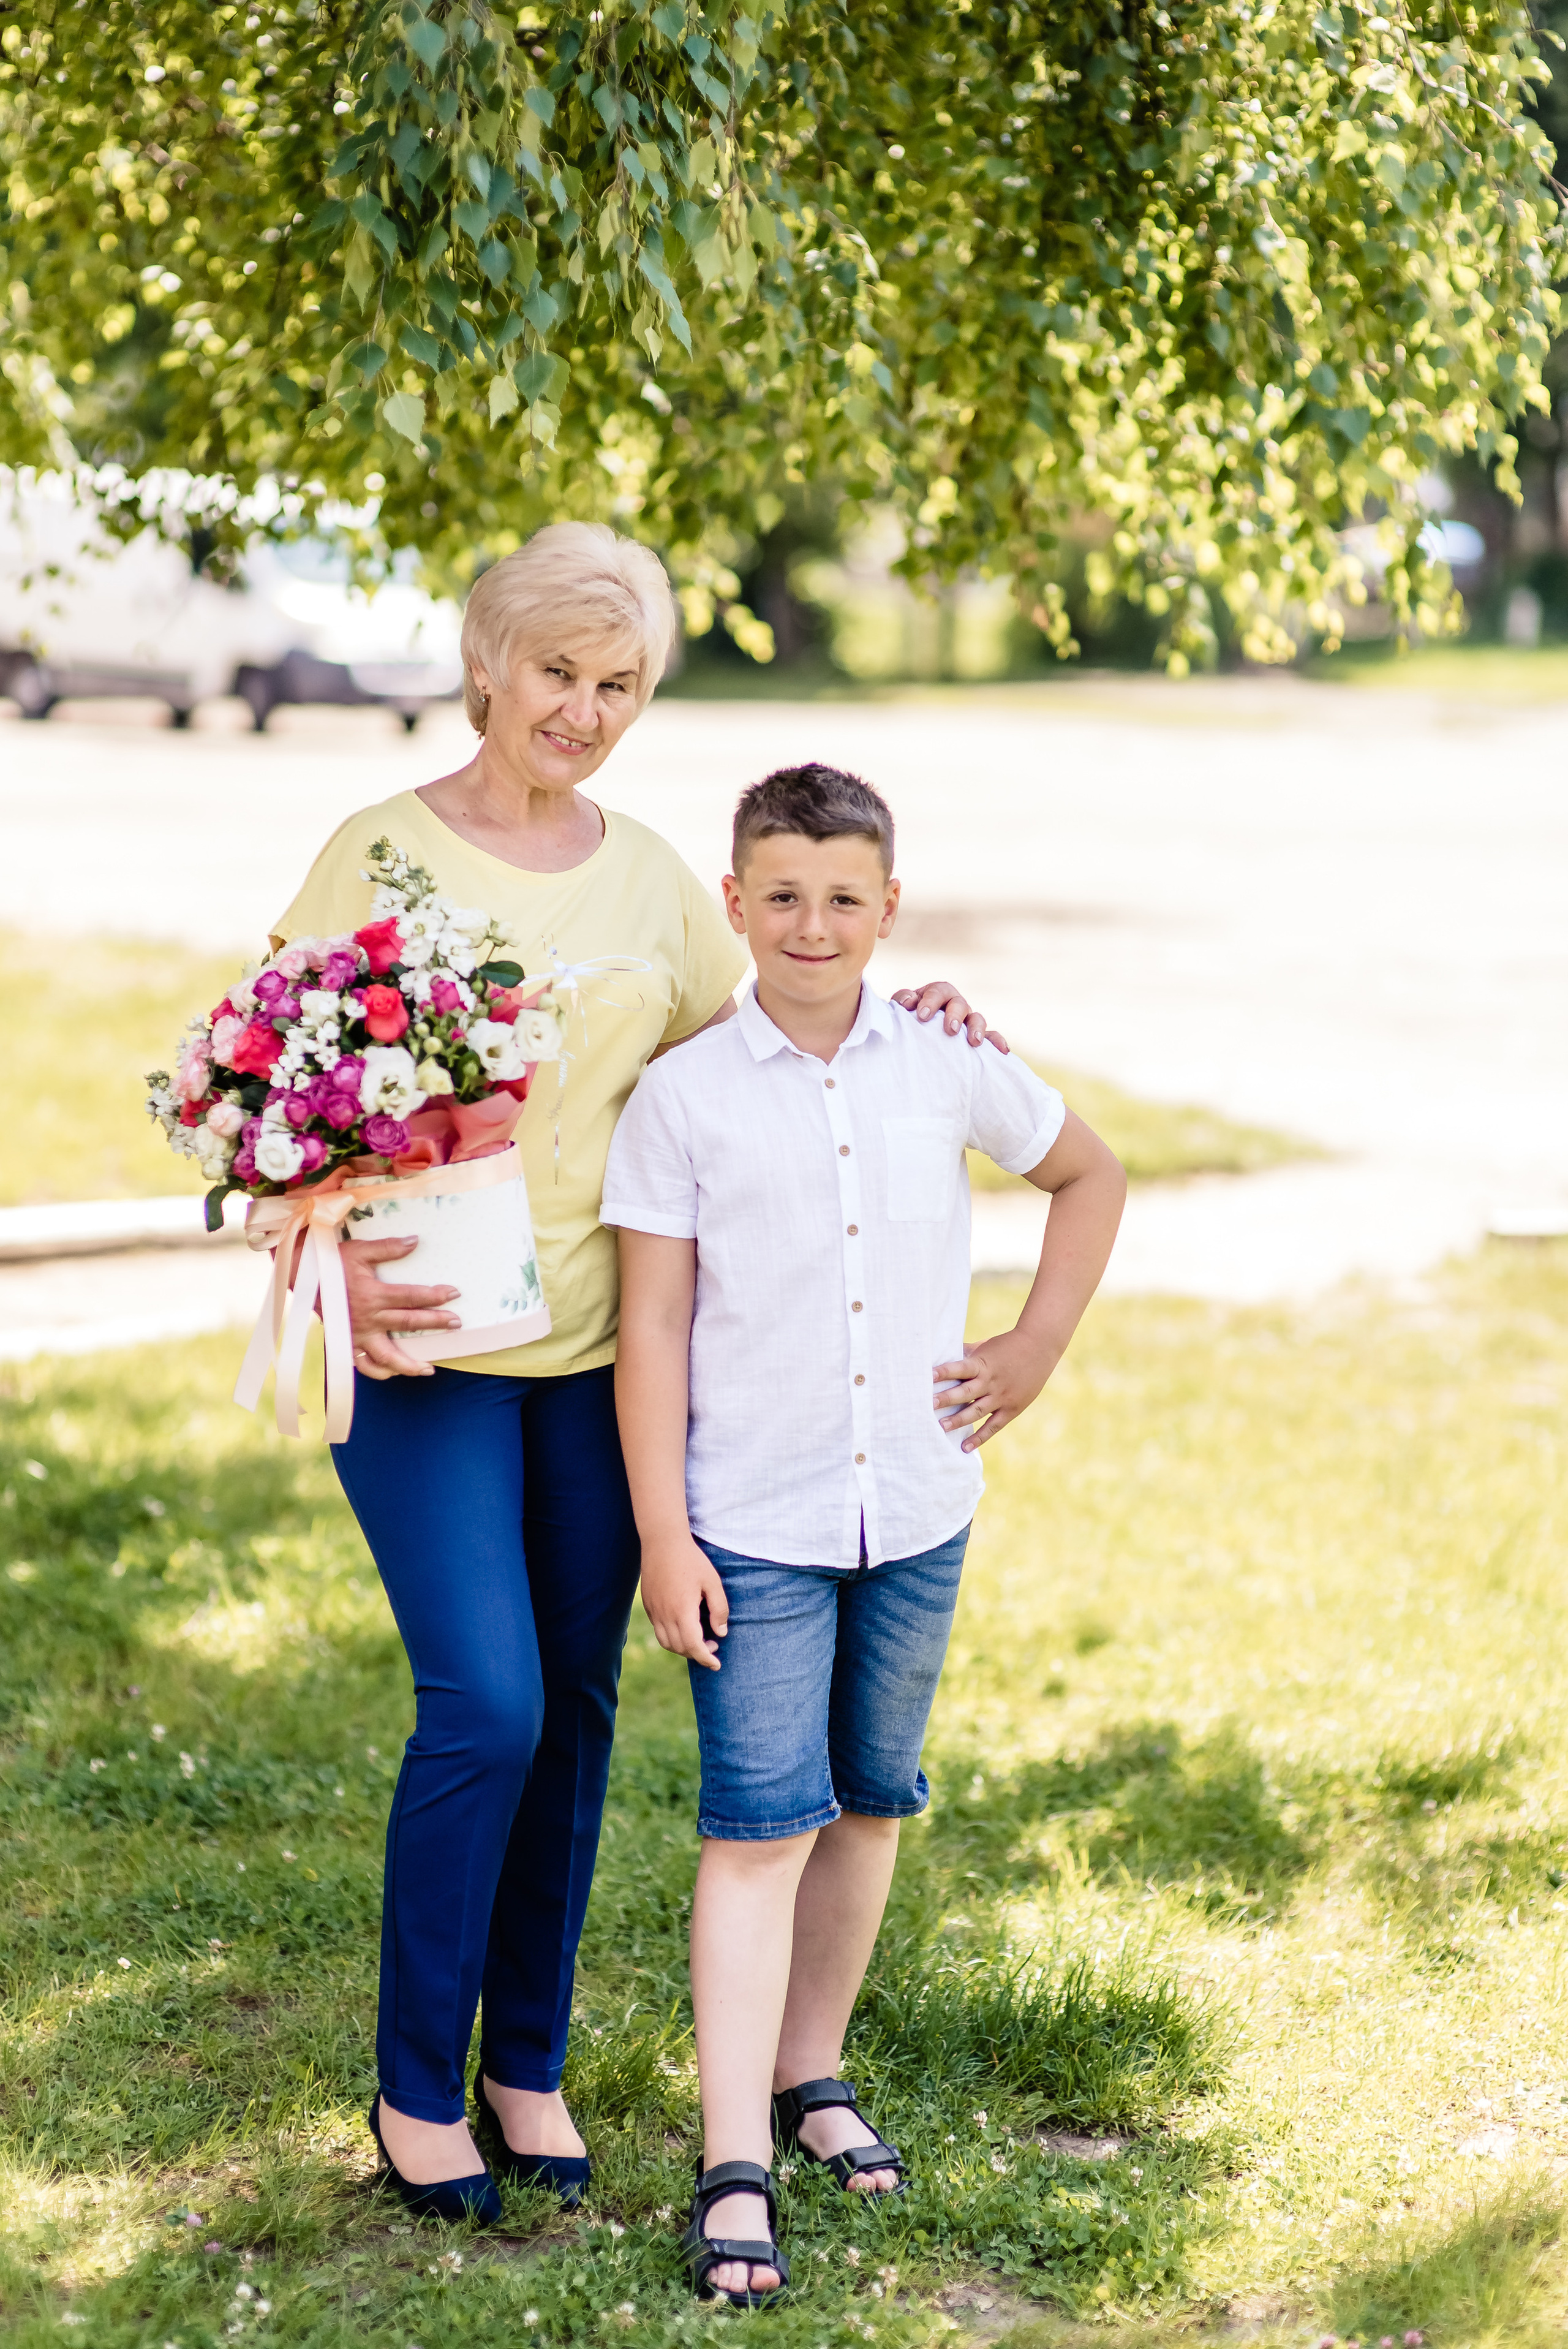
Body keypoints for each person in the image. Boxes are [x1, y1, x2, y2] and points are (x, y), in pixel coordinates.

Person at [265, 528, 998, 2221]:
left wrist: (924, 1017)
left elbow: (770, 1050)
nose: (583, 712)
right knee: (490, 1703)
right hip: (429, 1353)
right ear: (485, 665)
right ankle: (413, 2082)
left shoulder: (662, 881)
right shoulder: (375, 852)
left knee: (579, 1714)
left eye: (619, 685)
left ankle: (524, 2063)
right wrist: (314, 1247)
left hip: (603, 1369)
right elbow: (270, 1099)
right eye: (557, 673)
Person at [606, 763, 1126, 2303]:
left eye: (842, 898)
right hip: (750, 1520)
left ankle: (809, 2070)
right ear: (735, 903)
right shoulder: (684, 1095)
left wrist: (1031, 1346)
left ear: (889, 907)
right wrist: (662, 1536)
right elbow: (651, 1329)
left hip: (913, 1501)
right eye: (781, 896)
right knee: (758, 1828)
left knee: (870, 1803)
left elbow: (1088, 1174)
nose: (811, 925)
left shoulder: (945, 1060)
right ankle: (731, 2160)